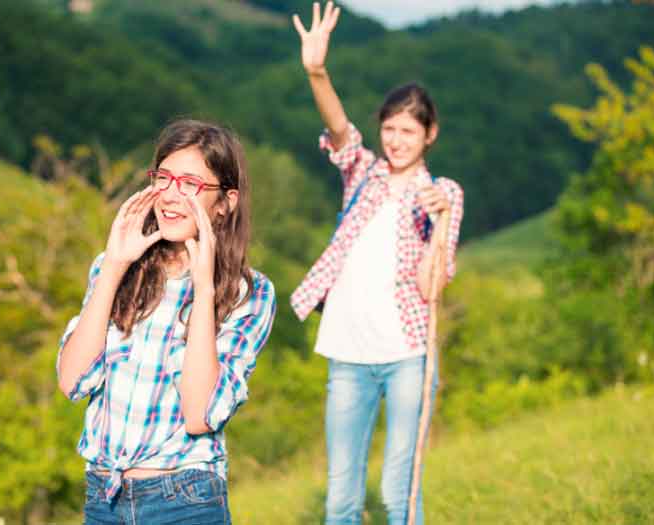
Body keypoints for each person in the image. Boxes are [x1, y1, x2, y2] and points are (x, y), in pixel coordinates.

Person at [290, 3, 464, 524]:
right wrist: (316, 71)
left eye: (408, 132)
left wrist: (438, 227)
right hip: (347, 353)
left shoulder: (445, 193)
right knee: (341, 498)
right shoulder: (362, 173)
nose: (396, 140)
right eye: (390, 129)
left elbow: (431, 288)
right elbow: (340, 129)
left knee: (398, 492)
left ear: (429, 134)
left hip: (408, 354)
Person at [56, 119, 276, 525]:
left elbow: (200, 413)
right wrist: (114, 267)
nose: (172, 196)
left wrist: (204, 290)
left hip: (185, 500)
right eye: (164, 178)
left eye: (191, 184)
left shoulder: (249, 293)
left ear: (225, 202)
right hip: (104, 497)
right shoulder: (114, 269)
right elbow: (73, 381)